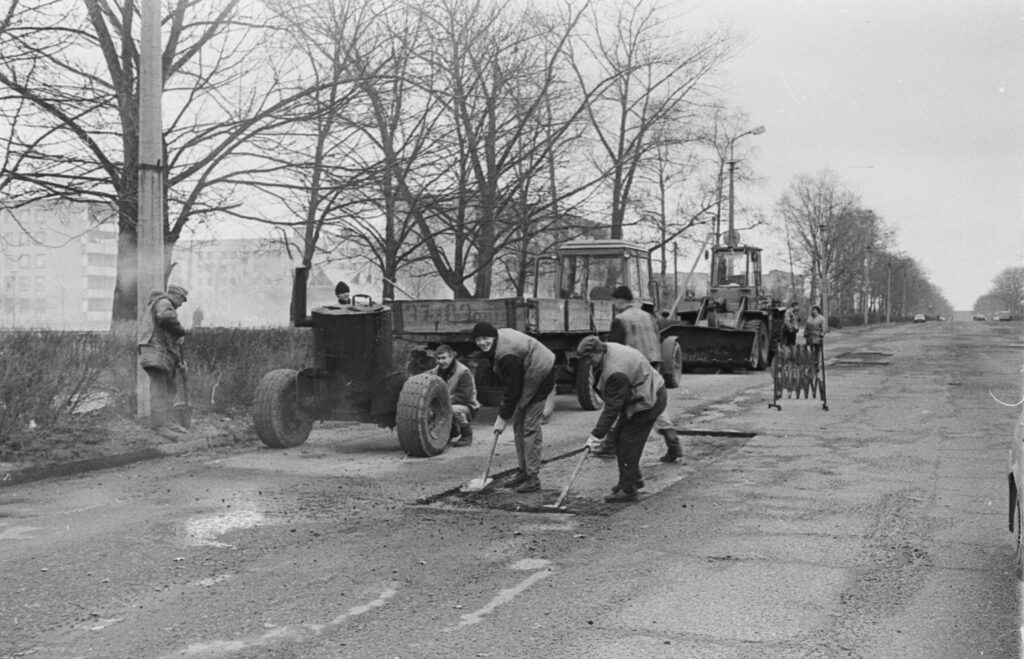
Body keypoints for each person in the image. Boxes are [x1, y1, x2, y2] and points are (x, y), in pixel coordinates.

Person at [591, 285, 681, 463]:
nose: (613, 304)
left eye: (614, 301)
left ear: (619, 300)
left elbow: (613, 348)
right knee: (652, 403)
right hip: (652, 362)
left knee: (622, 404)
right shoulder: (647, 315)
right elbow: (657, 336)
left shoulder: (620, 319)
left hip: (632, 368)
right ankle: (672, 442)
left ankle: (610, 445)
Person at [577, 336, 667, 503]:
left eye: (589, 358)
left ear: (599, 351)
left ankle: (628, 489)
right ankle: (632, 480)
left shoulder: (616, 371)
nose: (588, 363)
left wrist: (596, 435)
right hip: (637, 394)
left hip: (649, 399)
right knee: (619, 438)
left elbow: (612, 408)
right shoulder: (606, 352)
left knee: (627, 442)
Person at [472, 322, 556, 493]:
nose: (482, 342)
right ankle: (524, 472)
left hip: (541, 372)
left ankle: (532, 478)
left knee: (530, 426)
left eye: (485, 338)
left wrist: (502, 417)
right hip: (529, 370)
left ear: (494, 336)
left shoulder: (507, 355)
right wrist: (506, 414)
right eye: (478, 339)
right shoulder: (498, 346)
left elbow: (513, 389)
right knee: (519, 424)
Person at [138, 285, 189, 440]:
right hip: (155, 353)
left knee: (170, 389)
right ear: (174, 295)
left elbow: (167, 340)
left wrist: (180, 362)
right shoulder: (164, 302)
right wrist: (180, 331)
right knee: (159, 390)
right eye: (181, 299)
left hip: (161, 354)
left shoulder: (164, 305)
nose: (181, 304)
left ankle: (167, 422)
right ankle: (159, 426)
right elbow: (166, 318)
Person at [431, 344, 480, 447]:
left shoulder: (463, 371)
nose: (440, 361)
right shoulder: (435, 371)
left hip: (467, 406)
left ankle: (466, 434)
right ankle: (452, 431)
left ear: (451, 357)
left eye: (444, 358)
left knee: (452, 410)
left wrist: (443, 403)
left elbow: (464, 397)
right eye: (438, 358)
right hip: (446, 403)